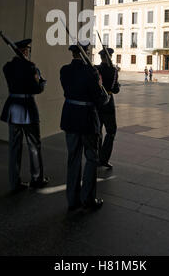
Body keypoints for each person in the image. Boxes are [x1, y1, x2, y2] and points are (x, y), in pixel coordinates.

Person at [60, 42, 109, 211]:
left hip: (70, 119)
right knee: (91, 159)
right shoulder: (91, 72)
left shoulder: (64, 70)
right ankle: (88, 198)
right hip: (87, 120)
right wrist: (103, 90)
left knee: (73, 159)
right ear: (86, 53)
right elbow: (101, 99)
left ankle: (72, 199)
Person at [0, 38, 49, 193]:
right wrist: (41, 83)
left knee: (14, 148)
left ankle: (14, 182)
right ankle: (37, 178)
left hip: (13, 110)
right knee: (34, 145)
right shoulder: (30, 67)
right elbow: (36, 89)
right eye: (28, 50)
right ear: (25, 51)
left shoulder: (7, 67)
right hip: (27, 109)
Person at [96, 48, 120, 169]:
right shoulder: (113, 70)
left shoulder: (96, 69)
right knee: (111, 131)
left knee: (98, 130)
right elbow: (115, 89)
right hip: (108, 101)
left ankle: (96, 156)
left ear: (101, 58)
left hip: (97, 102)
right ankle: (104, 158)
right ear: (109, 57)